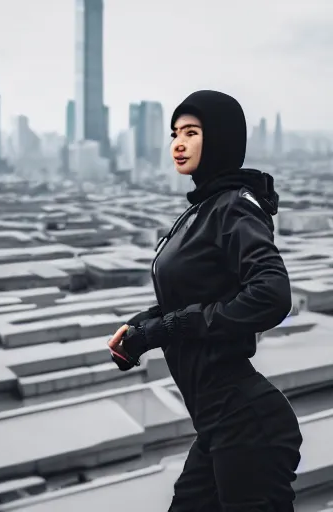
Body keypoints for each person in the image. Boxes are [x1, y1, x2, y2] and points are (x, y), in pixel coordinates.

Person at [107, 90, 303, 511]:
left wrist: (167, 328)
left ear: (221, 139)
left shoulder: (234, 207)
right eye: (175, 133)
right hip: (217, 424)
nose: (178, 143)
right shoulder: (202, 209)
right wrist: (141, 334)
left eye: (192, 132)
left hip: (247, 424)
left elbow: (271, 293)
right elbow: (194, 298)